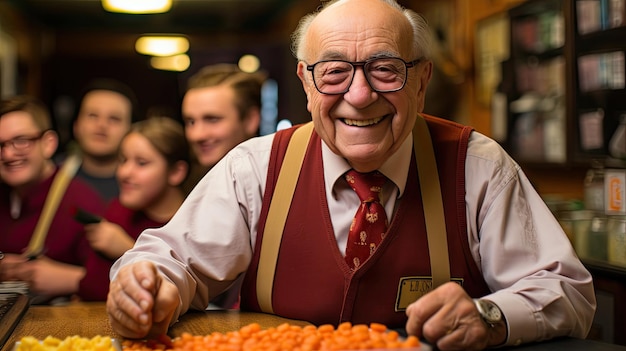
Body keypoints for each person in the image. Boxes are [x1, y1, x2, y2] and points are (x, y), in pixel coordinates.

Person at [106, 0, 596, 350]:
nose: (359, 95)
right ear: (305, 82)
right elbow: (171, 261)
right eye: (334, 72)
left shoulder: (477, 165)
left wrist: (490, 316)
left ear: (421, 81)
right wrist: (149, 289)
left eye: (385, 69)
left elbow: (567, 290)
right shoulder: (254, 167)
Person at [0, 95, 105, 304]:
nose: (9, 154)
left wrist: (70, 279)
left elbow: (113, 281)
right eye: (0, 145)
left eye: (21, 141)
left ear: (48, 144)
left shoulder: (81, 202)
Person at [78, 117, 190, 301]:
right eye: (123, 160)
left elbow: (188, 296)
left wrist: (128, 249)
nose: (124, 173)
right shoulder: (118, 211)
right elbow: (91, 289)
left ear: (176, 172)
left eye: (141, 163)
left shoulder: (191, 227)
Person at [180, 64, 265, 194]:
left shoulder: (273, 186)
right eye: (191, 122)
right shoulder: (186, 191)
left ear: (250, 120)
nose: (197, 135)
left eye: (212, 120)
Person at [67, 78, 136, 203]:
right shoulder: (50, 179)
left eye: (114, 119)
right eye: (93, 115)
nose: (102, 125)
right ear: (76, 126)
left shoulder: (143, 187)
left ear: (131, 131)